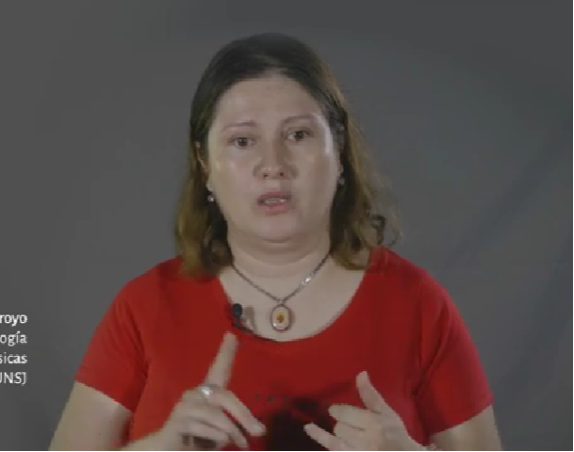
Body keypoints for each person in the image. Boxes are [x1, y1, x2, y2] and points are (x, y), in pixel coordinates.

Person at [49, 33, 502, 451]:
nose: (273, 164)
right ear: (204, 163)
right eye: (243, 140)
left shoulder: (418, 304)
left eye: (298, 135)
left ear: (339, 152)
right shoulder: (144, 308)